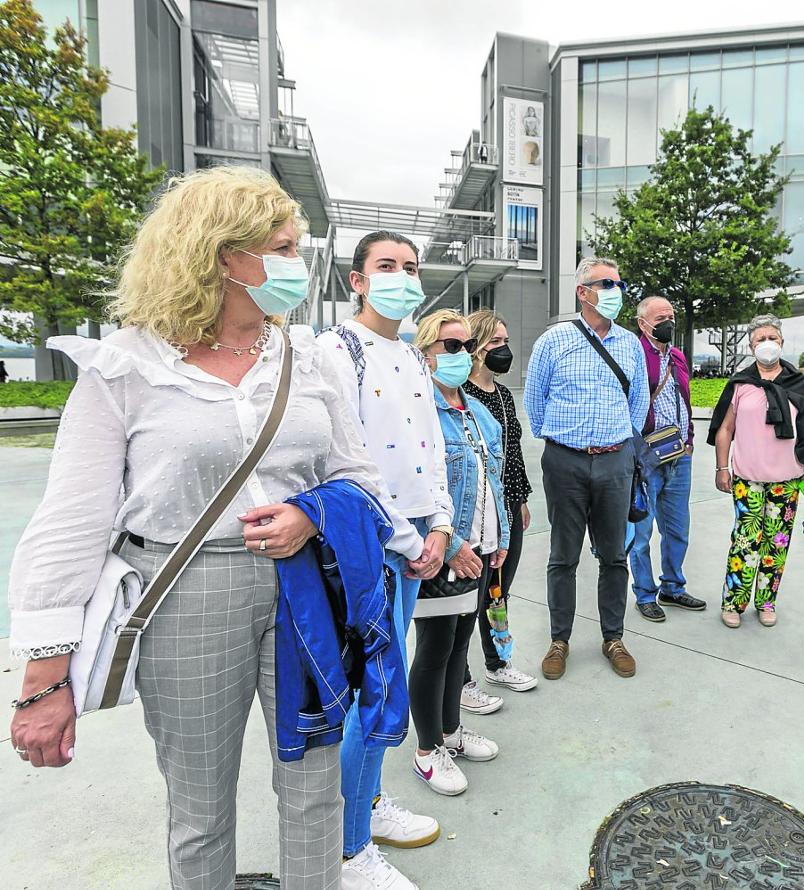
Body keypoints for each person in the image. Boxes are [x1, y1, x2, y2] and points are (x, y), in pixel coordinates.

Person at [7, 167, 433, 889]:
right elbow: (72, 520)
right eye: (283, 247)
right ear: (222, 254)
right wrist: (46, 671)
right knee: (200, 810)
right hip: (184, 595)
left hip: (305, 592)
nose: (296, 265)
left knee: (312, 788)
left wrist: (310, 513)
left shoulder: (305, 358)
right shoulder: (128, 367)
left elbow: (359, 480)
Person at [316, 231, 450, 890]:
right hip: (375, 541)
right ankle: (347, 848)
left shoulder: (414, 356)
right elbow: (347, 459)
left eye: (411, 267)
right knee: (368, 692)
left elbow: (434, 448)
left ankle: (368, 804)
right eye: (387, 266)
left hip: (421, 534)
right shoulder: (336, 350)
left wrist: (443, 523)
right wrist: (407, 538)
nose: (402, 277)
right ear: (357, 281)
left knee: (385, 686)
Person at [524, 257, 648, 680]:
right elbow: (535, 403)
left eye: (620, 282)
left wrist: (617, 444)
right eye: (606, 283)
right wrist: (564, 441)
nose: (616, 290)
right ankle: (560, 640)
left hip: (616, 461)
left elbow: (640, 404)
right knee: (563, 556)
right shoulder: (554, 340)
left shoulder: (630, 344)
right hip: (565, 461)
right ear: (583, 291)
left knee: (614, 556)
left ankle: (613, 637)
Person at [410, 309, 509, 797]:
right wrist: (449, 546)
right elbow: (415, 486)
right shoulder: (420, 409)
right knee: (433, 649)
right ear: (425, 352)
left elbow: (494, 480)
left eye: (466, 347)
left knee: (458, 647)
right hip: (442, 551)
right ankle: (428, 750)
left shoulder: (477, 410)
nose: (461, 355)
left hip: (480, 548)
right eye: (450, 346)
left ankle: (451, 731)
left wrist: (501, 534)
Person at [707, 315, 804, 627]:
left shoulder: (797, 384)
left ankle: (766, 602)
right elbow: (724, 429)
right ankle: (733, 603)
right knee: (745, 541)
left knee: (776, 544)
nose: (766, 344)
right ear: (751, 346)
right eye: (759, 339)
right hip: (746, 479)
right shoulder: (740, 384)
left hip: (787, 481)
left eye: (772, 338)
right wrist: (721, 467)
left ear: (781, 342)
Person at [461, 308, 539, 696]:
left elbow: (513, 453)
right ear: (474, 348)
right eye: (495, 343)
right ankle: (459, 679)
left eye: (506, 342)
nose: (503, 350)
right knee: (466, 600)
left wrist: (521, 498)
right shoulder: (460, 394)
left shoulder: (505, 395)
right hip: (473, 513)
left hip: (507, 507)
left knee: (497, 590)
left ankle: (498, 662)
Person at [629, 295, 705, 622]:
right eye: (660, 318)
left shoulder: (677, 356)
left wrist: (688, 440)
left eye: (671, 315)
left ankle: (672, 586)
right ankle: (645, 594)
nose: (668, 322)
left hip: (678, 455)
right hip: (646, 457)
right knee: (641, 532)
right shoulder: (633, 354)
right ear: (643, 323)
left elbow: (683, 399)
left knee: (677, 529)